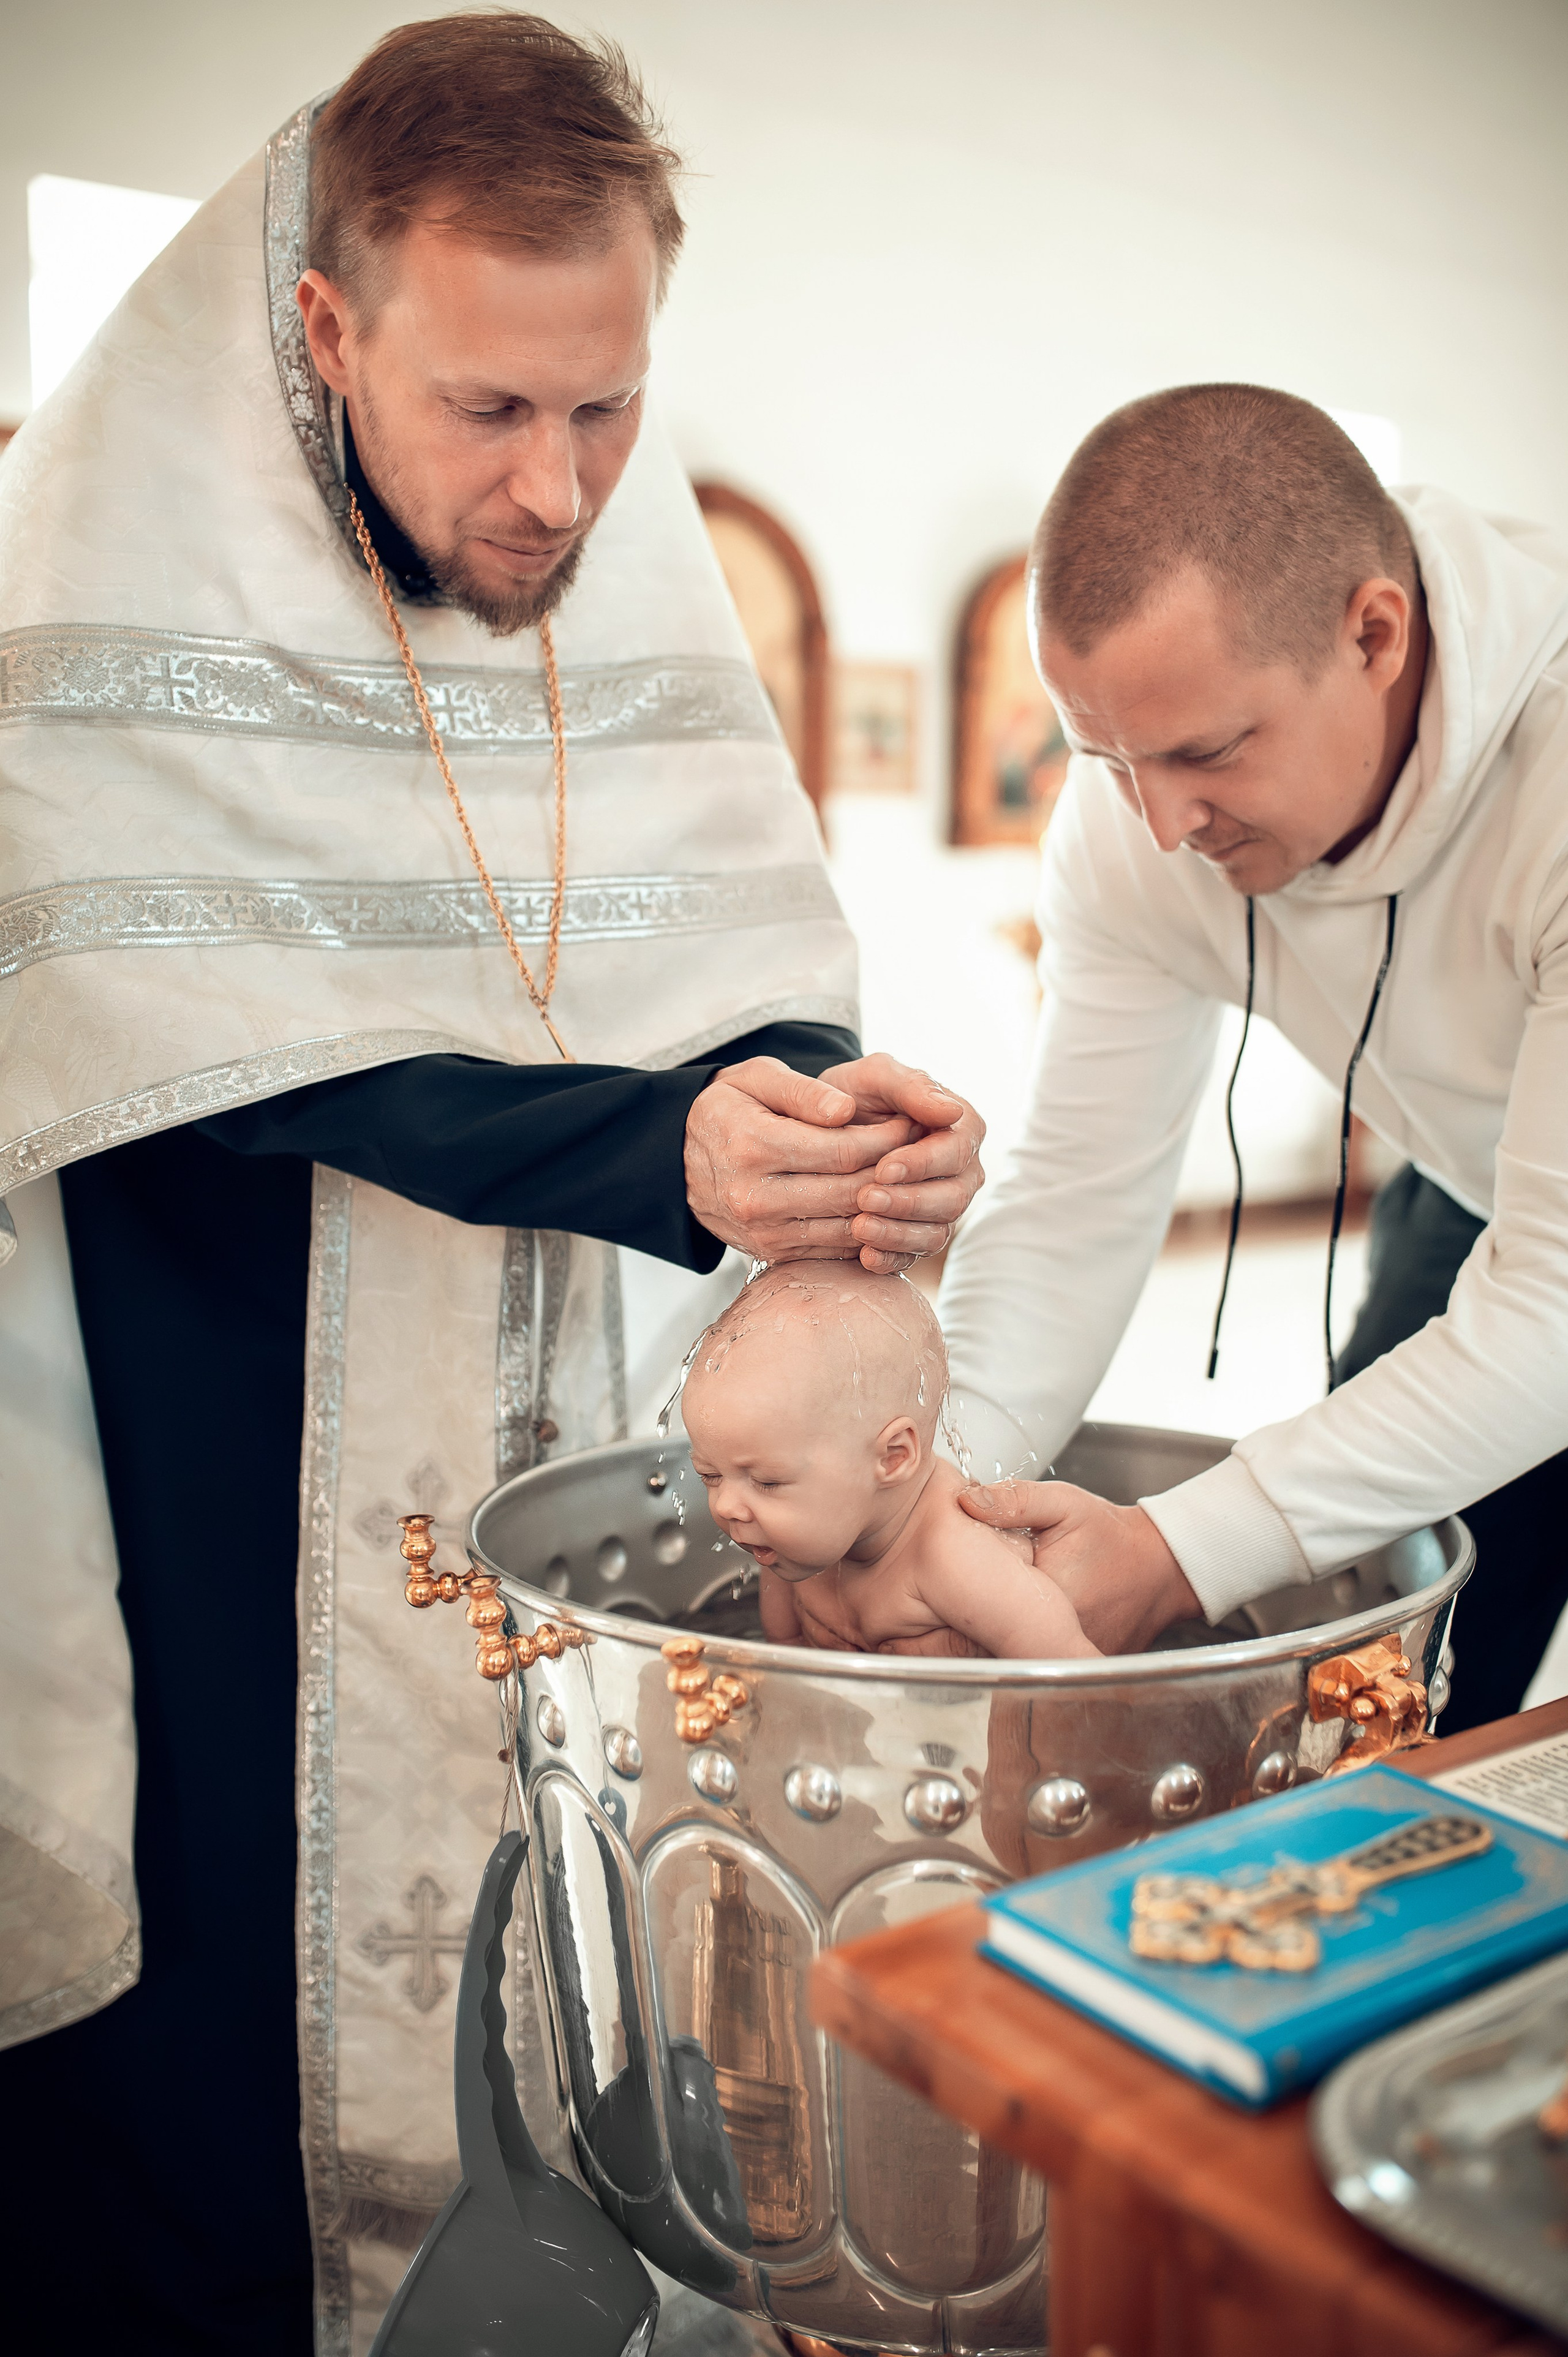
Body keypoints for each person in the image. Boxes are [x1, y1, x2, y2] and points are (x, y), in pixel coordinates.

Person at [0, 18, 984, 2353]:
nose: (558, 489)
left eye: (607, 404)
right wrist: (661, 1140)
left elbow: (729, 953)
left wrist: (825, 1107)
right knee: (209, 2087)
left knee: (555, 1998)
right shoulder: (94, 568)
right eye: (488, 411)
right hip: (201, 1446)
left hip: (545, 1431)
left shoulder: (601, 580)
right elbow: (161, 1031)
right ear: (327, 327)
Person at [944, 383, 1568, 1733]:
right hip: (1471, 1188)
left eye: (1205, 751)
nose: (1158, 825)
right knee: (1392, 1692)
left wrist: (1175, 1549)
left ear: (1372, 634)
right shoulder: (1136, 823)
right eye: (1107, 758)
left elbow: (1558, 1304)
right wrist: (940, 1496)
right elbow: (1072, 1196)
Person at [682, 1262, 1096, 1658]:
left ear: (893, 1457)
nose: (726, 1507)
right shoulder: (785, 1543)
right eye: (710, 1475)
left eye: (767, 1481)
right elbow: (784, 1656)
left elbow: (1072, 1677)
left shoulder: (957, 1557)